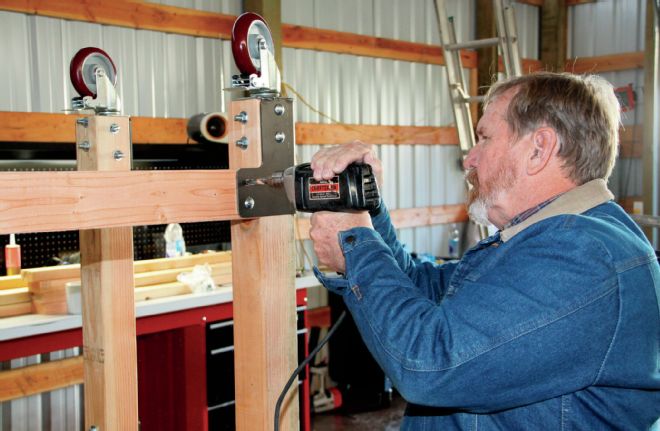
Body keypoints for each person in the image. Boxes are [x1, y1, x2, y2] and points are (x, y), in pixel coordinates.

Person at [308, 72, 660, 430]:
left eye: (484, 138)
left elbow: (428, 364)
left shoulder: (582, 256)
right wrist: (368, 208)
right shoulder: (545, 239)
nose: (469, 159)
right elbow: (418, 288)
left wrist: (356, 245)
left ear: (539, 148)